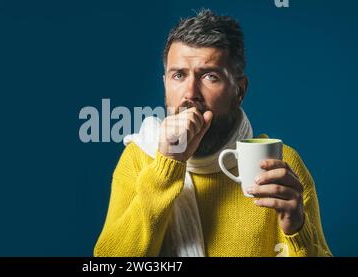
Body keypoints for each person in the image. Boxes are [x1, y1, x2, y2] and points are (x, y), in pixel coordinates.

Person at [94, 9, 332, 257]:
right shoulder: (138, 158)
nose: (190, 93)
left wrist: (297, 229)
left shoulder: (280, 164)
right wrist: (166, 166)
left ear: (239, 91)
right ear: (165, 83)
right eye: (178, 75)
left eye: (210, 76)